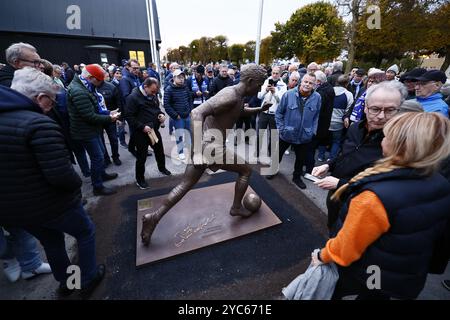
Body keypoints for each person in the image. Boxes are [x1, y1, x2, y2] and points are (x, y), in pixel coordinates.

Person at [311, 112, 450, 300]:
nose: (381, 140)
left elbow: (347, 247)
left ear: (398, 146)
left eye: (386, 136)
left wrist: (322, 257)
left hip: (368, 269)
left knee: (333, 291)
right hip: (399, 274)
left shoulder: (374, 197)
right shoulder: (441, 184)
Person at [0, 67, 105, 297]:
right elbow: (61, 175)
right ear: (40, 98)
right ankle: (86, 279)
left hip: (16, 210)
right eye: (52, 100)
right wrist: (76, 188)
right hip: (51, 203)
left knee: (52, 242)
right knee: (85, 232)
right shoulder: (39, 124)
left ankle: (67, 283)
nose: (54, 105)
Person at [140, 64, 270, 246]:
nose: (260, 88)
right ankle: (236, 207)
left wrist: (259, 110)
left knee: (185, 185)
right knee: (246, 170)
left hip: (207, 146)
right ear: (250, 81)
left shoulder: (237, 96)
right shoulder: (230, 94)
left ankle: (154, 217)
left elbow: (239, 111)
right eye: (259, 84)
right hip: (211, 146)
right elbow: (196, 112)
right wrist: (200, 151)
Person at [312, 81, 407, 230]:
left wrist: (340, 183)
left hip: (360, 205)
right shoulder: (355, 127)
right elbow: (346, 154)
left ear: (399, 110)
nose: (381, 116)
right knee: (333, 227)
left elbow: (385, 185)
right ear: (365, 108)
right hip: (335, 196)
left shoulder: (398, 143)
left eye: (390, 110)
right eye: (375, 109)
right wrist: (329, 165)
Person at [67, 64, 120, 196]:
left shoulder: (84, 86)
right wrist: (110, 119)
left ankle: (102, 175)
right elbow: (89, 116)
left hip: (91, 129)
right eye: (99, 80)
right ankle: (97, 186)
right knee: (97, 157)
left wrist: (108, 112)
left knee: (100, 154)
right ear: (90, 77)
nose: (100, 83)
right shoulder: (79, 91)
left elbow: (94, 108)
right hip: (85, 131)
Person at [271, 73, 322, 189]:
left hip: (304, 135)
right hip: (287, 133)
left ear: (314, 85)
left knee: (300, 159)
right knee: (278, 153)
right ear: (301, 82)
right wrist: (281, 129)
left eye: (311, 83)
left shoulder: (317, 97)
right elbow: (279, 113)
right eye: (306, 82)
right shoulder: (288, 95)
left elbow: (316, 116)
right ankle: (272, 170)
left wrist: (312, 131)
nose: (307, 85)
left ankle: (296, 177)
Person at [126, 78, 171, 189]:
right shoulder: (133, 98)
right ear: (145, 87)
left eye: (155, 91)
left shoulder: (152, 95)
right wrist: (142, 127)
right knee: (141, 157)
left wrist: (161, 115)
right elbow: (129, 117)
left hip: (153, 130)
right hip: (140, 133)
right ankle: (140, 179)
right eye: (152, 91)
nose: (154, 93)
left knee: (159, 150)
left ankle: (162, 168)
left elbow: (157, 109)